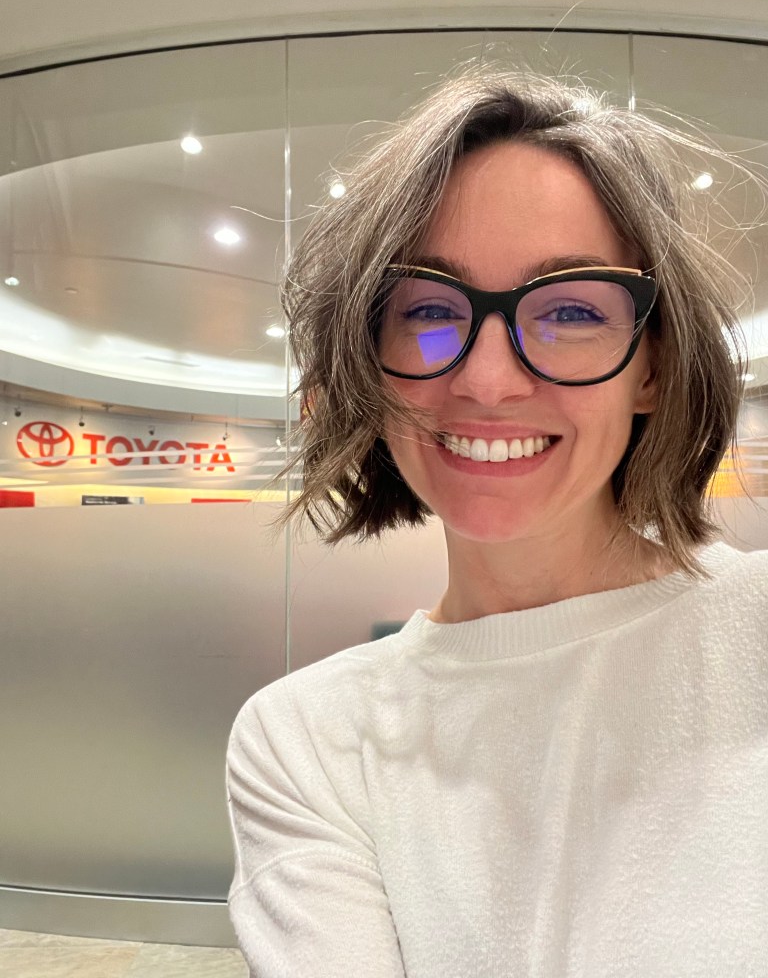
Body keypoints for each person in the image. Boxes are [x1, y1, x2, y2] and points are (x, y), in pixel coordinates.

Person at [226, 69, 768, 977]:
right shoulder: (308, 739)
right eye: (430, 310)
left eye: (570, 310)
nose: (486, 380)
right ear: (369, 359)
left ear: (652, 367)